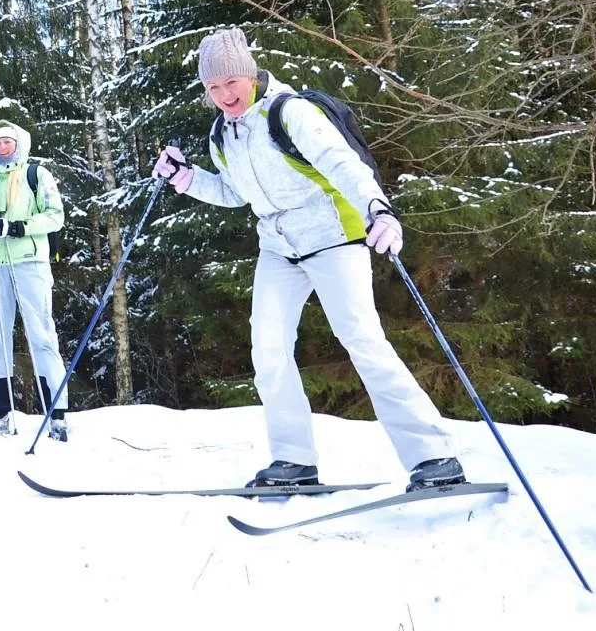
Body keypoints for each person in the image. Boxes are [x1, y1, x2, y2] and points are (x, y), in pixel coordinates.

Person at [152, 27, 465, 491]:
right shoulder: (223, 134)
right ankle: (294, 461)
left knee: (362, 340)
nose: (224, 95)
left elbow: (342, 163)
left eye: (230, 83)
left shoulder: (289, 111)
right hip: (279, 247)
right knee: (269, 349)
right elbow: (237, 194)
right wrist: (186, 178)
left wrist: (379, 209)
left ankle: (434, 456)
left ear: (248, 73)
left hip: (334, 235)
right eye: (213, 88)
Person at [0, 120, 70, 440]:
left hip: (30, 262)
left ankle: (57, 414)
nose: (1, 148)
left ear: (19, 145)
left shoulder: (36, 175)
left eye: (7, 143)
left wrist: (14, 227)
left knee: (40, 334)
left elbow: (55, 216)